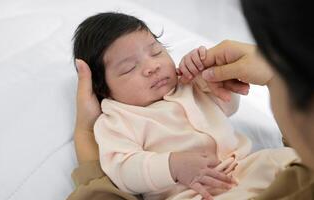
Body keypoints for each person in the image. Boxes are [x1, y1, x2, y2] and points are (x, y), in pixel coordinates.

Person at [68, 12, 299, 200]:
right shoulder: (117, 118)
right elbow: (122, 168)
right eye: (129, 68)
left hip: (245, 166)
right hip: (194, 193)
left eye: (156, 52)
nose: (152, 67)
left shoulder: (187, 85)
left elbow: (227, 107)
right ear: (103, 89)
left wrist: (211, 80)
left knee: (287, 159)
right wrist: (171, 166)